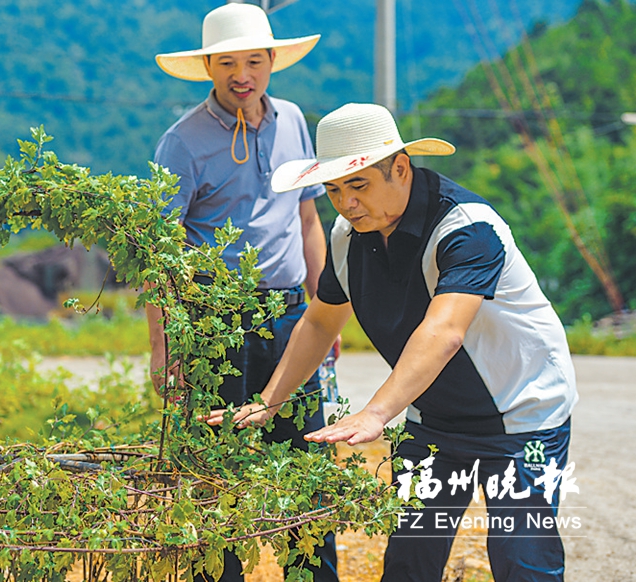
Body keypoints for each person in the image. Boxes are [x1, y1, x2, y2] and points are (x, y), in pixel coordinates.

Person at [204, 103, 579, 581]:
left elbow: (443, 331)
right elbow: (320, 323)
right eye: (333, 189)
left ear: (400, 168)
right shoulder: (347, 237)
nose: (345, 203)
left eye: (358, 185)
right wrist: (268, 403)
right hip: (434, 421)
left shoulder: (467, 230)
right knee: (409, 562)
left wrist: (376, 412)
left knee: (522, 558)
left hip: (524, 415)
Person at [149, 4, 339, 580]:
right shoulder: (181, 143)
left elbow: (308, 220)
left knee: (305, 457)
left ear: (272, 61)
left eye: (255, 60)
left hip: (288, 316)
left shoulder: (293, 121)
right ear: (208, 65)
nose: (243, 74)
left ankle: (313, 573)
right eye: (228, 62)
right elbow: (158, 254)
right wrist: (163, 349)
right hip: (212, 319)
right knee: (217, 472)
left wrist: (323, 317)